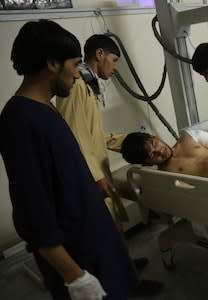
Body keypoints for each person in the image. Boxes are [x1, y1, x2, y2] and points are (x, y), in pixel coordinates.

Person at [0, 20, 136, 299]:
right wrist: (74, 276)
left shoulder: (45, 109)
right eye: (74, 65)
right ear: (52, 64)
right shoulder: (20, 121)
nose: (77, 75)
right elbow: (32, 213)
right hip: (78, 257)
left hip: (92, 240)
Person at [55, 34, 163, 296]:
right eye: (114, 60)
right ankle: (127, 284)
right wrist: (95, 176)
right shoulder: (77, 86)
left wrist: (136, 140)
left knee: (114, 226)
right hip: (90, 175)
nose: (115, 68)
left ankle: (125, 268)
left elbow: (94, 135)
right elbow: (73, 137)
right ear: (100, 54)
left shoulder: (89, 86)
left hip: (96, 168)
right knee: (106, 231)